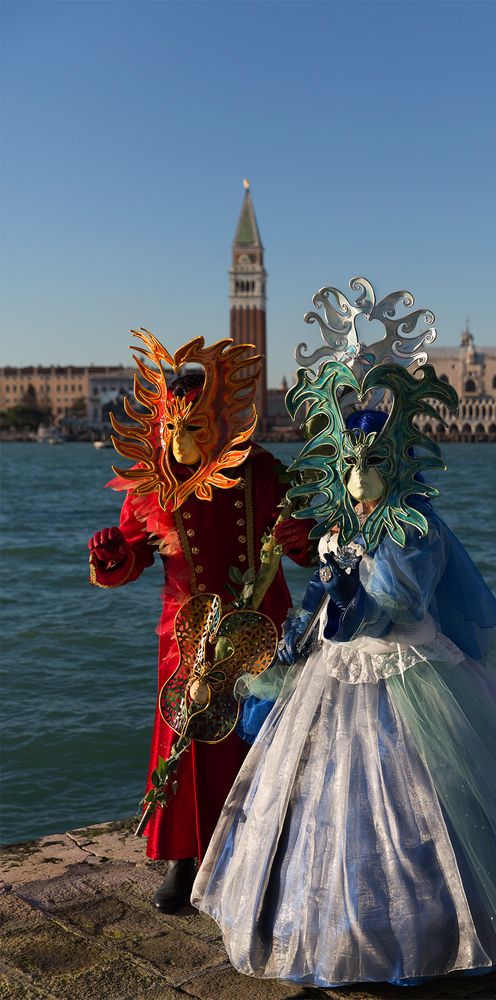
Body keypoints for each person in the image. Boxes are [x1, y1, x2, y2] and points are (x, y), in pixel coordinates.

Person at [192, 362, 496, 986]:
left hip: (411, 671)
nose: (359, 479)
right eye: (352, 465)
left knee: (436, 800)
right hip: (336, 673)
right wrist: (300, 628)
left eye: (371, 465)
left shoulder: (415, 531)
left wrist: (352, 597)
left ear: (395, 464)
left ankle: (443, 928)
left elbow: (399, 605)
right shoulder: (344, 523)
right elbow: (321, 591)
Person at [88, 330, 314, 913]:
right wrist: (114, 552)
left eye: (191, 429)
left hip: (259, 622)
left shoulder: (260, 472)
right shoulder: (149, 485)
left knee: (261, 735)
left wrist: (303, 537)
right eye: (170, 429)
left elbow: (309, 550)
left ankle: (267, 851)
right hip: (184, 631)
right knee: (188, 736)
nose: (178, 442)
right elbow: (132, 559)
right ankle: (185, 857)